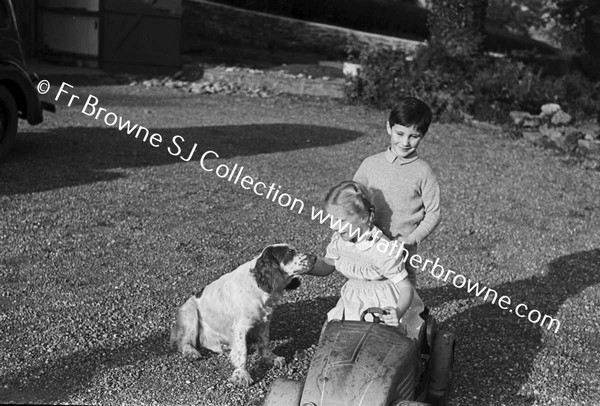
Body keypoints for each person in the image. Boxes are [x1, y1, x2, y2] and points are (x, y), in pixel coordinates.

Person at [307, 180, 424, 339]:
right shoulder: (340, 241)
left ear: (363, 217)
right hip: (353, 301)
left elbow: (405, 287)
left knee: (381, 341)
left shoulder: (381, 250)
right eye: (331, 220)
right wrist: (305, 267)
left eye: (341, 221)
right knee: (337, 336)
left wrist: (397, 311)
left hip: (382, 301)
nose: (333, 226)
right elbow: (327, 266)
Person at [353, 96, 441, 286]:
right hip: (369, 242)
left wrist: (412, 239)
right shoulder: (370, 164)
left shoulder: (424, 172)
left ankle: (412, 315)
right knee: (367, 284)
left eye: (413, 136)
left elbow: (433, 212)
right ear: (388, 128)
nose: (405, 142)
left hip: (403, 248)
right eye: (399, 133)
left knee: (404, 290)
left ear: (423, 136)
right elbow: (352, 198)